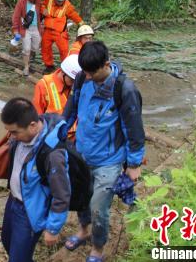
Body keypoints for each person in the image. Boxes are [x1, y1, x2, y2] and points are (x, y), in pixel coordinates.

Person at [61, 41, 145, 262]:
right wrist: (57, 134)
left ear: (106, 64)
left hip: (108, 161)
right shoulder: (82, 78)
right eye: (85, 72)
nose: (87, 77)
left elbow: (134, 129)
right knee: (81, 197)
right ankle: (84, 229)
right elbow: (69, 111)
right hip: (82, 154)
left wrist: (134, 165)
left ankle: (98, 248)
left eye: (92, 73)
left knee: (99, 208)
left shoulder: (124, 90)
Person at [0, 98, 71, 262]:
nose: (11, 136)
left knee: (18, 258)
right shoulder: (21, 137)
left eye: (15, 132)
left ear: (32, 126)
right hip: (13, 202)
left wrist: (53, 228)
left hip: (30, 212)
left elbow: (62, 194)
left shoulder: (52, 153)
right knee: (7, 241)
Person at [41, 0, 84, 73]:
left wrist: (82, 24)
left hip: (60, 32)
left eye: (61, 1)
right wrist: (43, 10)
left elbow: (74, 15)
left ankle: (65, 67)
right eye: (58, 0)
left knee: (64, 50)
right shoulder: (49, 0)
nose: (59, 2)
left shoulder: (67, 6)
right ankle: (49, 66)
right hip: (47, 30)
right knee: (45, 48)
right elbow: (41, 5)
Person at [12, 0, 43, 76]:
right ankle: (26, 66)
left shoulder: (37, 1)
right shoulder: (21, 2)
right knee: (26, 49)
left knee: (36, 47)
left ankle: (31, 58)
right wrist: (15, 30)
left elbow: (41, 11)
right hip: (25, 29)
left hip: (36, 28)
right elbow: (16, 17)